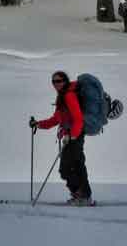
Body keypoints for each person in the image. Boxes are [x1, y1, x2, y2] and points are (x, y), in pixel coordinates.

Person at [30, 70, 94, 206]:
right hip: (70, 136)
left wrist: (72, 136)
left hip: (73, 136)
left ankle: (83, 197)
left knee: (69, 168)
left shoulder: (69, 96)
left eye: (58, 81)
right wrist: (38, 124)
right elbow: (55, 120)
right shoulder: (62, 97)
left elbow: (78, 119)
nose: (55, 84)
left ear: (65, 81)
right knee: (75, 166)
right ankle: (83, 196)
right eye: (53, 81)